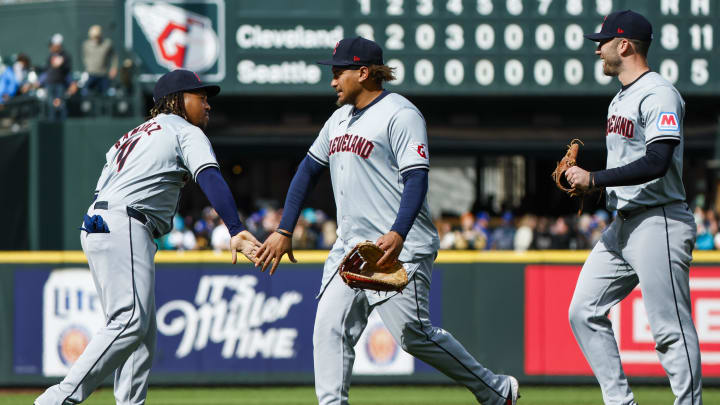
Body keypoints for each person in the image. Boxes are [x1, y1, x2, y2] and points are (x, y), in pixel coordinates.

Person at [254, 37, 519, 405]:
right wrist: (285, 229)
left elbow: (417, 177)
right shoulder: (338, 120)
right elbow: (307, 170)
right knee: (329, 329)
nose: (333, 81)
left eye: (339, 73)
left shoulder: (401, 114)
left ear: (363, 73)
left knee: (413, 335)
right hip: (351, 249)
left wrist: (399, 230)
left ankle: (495, 389)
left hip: (398, 248)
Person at [34, 69, 261, 405]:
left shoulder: (135, 134)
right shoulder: (185, 129)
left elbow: (109, 184)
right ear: (178, 100)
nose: (207, 104)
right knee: (130, 322)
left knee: (141, 338)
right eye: (200, 96)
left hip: (101, 222)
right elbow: (210, 177)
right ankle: (58, 399)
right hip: (126, 222)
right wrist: (235, 227)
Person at [565, 10, 702, 405]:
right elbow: (627, 169)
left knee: (669, 330)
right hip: (623, 224)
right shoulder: (621, 98)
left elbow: (658, 161)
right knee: (582, 311)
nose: (598, 50)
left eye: (602, 42)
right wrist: (593, 190)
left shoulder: (658, 93)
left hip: (659, 219)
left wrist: (595, 178)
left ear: (624, 45)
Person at [41, 33, 77, 120]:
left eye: (53, 45)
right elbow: (46, 72)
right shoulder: (50, 56)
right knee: (51, 106)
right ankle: (52, 126)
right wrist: (39, 81)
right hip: (50, 84)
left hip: (60, 84)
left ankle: (63, 125)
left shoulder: (65, 56)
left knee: (61, 105)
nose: (51, 47)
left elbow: (68, 72)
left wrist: (72, 83)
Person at [82, 24, 118, 95]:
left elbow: (114, 56)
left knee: (106, 94)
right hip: (91, 74)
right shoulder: (86, 45)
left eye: (97, 36)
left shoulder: (107, 44)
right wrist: (88, 66)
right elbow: (85, 56)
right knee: (86, 93)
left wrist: (114, 68)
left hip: (103, 74)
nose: (96, 39)